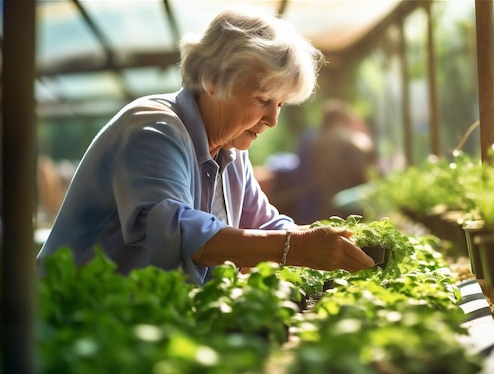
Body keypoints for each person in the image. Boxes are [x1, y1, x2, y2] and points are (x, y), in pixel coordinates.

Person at [36, 7, 375, 285]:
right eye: (262, 99)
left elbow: (264, 225)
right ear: (213, 79)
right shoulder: (155, 130)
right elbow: (176, 232)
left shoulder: (232, 149)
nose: (272, 120)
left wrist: (338, 244)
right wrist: (298, 249)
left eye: (281, 105)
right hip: (67, 323)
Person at [309, 99, 375, 220]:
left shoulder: (318, 140)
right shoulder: (346, 139)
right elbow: (361, 170)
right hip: (347, 198)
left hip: (325, 197)